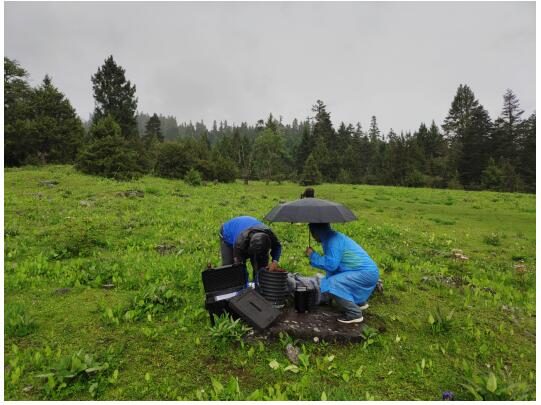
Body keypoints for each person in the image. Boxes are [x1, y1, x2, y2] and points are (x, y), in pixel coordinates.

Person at [305, 223, 379, 323]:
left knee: (332, 283)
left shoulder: (333, 241)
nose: (313, 237)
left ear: (317, 232)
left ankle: (354, 313)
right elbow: (334, 269)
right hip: (366, 272)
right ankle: (359, 303)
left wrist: (313, 256)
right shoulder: (331, 237)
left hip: (365, 274)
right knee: (329, 281)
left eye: (312, 233)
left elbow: (331, 265)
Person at [219, 216, 282, 280]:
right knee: (229, 267)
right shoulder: (239, 243)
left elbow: (277, 246)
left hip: (248, 225)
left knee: (261, 269)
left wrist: (275, 262)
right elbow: (240, 267)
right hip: (228, 232)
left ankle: (258, 284)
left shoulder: (270, 234)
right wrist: (245, 284)